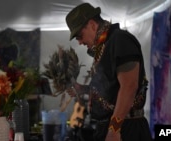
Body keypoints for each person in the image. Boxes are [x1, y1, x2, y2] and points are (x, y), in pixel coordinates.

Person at [65, 3, 152, 141]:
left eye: (80, 36)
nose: (80, 42)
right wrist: (83, 89)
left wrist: (114, 129)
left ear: (93, 25)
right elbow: (110, 90)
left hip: (125, 128)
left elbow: (129, 86)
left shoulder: (120, 40)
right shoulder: (104, 47)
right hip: (111, 127)